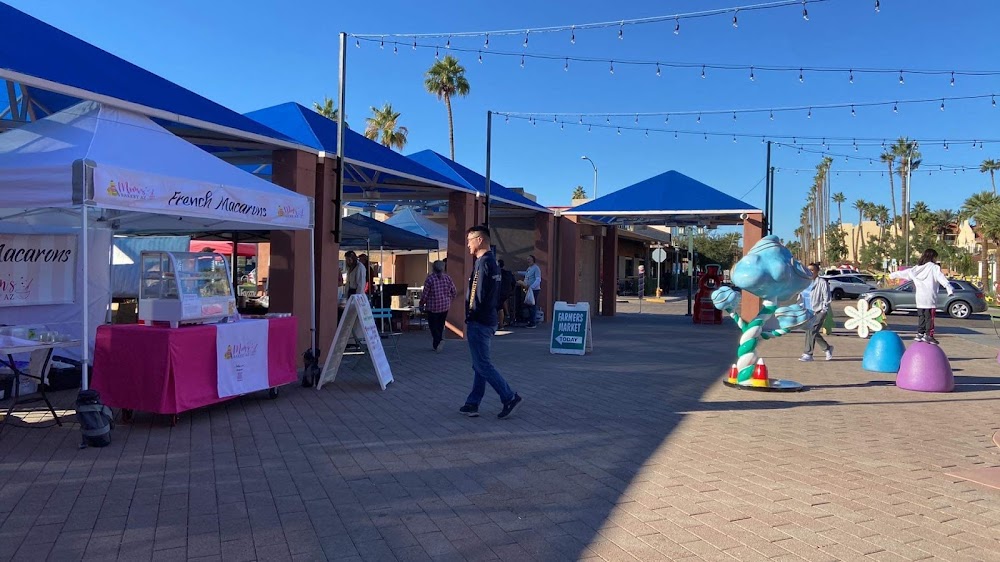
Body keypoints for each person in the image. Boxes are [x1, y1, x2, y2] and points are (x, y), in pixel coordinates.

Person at [460, 225, 522, 420]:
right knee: (479, 363)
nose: (468, 244)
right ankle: (473, 402)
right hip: (489, 319)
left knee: (483, 364)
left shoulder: (482, 263)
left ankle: (509, 396)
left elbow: (475, 296)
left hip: (480, 321)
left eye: (470, 240)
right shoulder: (493, 263)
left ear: (480, 240)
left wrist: (471, 315)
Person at [890, 248, 953, 345]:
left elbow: (904, 273)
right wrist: (949, 289)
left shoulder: (916, 268)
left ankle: (920, 333)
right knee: (930, 318)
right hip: (930, 297)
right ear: (933, 257)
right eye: (936, 257)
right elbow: (942, 278)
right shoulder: (934, 268)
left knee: (922, 316)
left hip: (920, 298)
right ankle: (929, 335)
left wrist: (892, 275)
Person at [800, 263, 834, 362]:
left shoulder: (822, 282)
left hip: (819, 311)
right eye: (808, 270)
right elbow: (801, 296)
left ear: (817, 271)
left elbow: (827, 298)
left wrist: (824, 310)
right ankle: (827, 348)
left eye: (812, 270)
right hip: (807, 311)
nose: (810, 272)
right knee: (810, 331)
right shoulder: (805, 282)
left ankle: (808, 354)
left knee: (812, 330)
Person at [421, 260, 457, 352]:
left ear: (433, 268)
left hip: (433, 307)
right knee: (440, 325)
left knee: (433, 326)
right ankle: (437, 344)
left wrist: (421, 303)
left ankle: (438, 341)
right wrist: (449, 299)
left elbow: (425, 294)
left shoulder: (430, 279)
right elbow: (454, 291)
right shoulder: (447, 278)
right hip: (445, 306)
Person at [523, 255, 542, 328]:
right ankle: (530, 320)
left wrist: (531, 287)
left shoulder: (536, 268)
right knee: (529, 305)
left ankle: (533, 323)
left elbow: (538, 279)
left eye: (530, 259)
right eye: (527, 259)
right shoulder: (529, 268)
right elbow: (526, 275)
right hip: (528, 289)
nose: (528, 261)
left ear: (533, 260)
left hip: (534, 290)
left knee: (532, 305)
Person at [497, 259, 516, 329]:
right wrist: (511, 290)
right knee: (502, 304)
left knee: (499, 307)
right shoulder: (508, 273)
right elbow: (514, 282)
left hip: (499, 292)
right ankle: (507, 316)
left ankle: (501, 324)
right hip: (507, 293)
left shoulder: (497, 273)